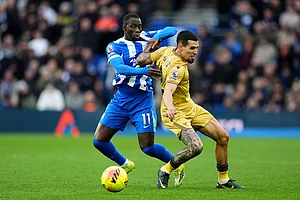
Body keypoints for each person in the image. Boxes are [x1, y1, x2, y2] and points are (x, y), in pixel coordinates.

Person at [136, 30, 245, 189]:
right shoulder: (177, 68)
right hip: (174, 112)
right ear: (180, 46)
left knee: (223, 137)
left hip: (190, 107)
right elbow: (167, 92)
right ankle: (165, 170)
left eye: (197, 48)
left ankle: (223, 180)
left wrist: (148, 49)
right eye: (192, 49)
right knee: (196, 147)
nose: (195, 52)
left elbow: (141, 60)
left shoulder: (165, 51)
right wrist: (171, 108)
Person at [93, 13, 185, 187]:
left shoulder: (147, 37)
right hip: (121, 98)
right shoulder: (115, 46)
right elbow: (120, 68)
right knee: (99, 141)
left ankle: (177, 163)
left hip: (142, 100)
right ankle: (126, 164)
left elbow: (171, 30)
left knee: (147, 147)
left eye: (139, 26)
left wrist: (156, 37)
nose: (137, 30)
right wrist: (145, 72)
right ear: (124, 28)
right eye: (133, 26)